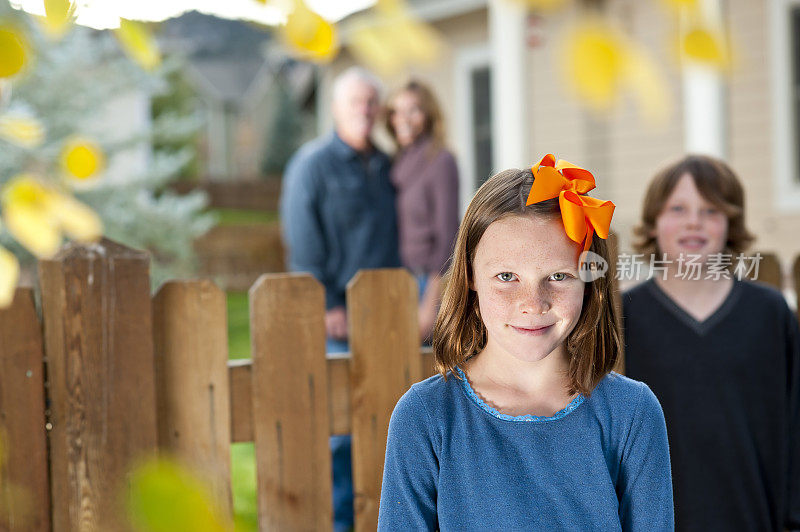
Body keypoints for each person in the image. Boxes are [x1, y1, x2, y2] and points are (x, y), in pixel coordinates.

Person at [378, 155, 674, 530]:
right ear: (469, 275)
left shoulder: (632, 413)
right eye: (506, 276)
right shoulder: (425, 417)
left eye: (558, 276)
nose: (533, 303)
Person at [622, 154, 800, 531]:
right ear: (653, 223)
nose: (693, 222)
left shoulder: (769, 313)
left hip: (754, 517)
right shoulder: (624, 317)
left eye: (710, 211)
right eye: (678, 208)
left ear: (730, 224)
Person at [280, 66, 401, 532]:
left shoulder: (388, 166)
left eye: (372, 102)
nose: (365, 111)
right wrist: (327, 303)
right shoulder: (312, 166)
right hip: (338, 319)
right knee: (341, 434)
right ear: (335, 108)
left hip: (389, 315)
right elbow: (302, 241)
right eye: (355, 102)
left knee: (391, 424)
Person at [386, 80, 460, 341]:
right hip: (399, 279)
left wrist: (432, 298)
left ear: (429, 115)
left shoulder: (440, 160)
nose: (403, 119)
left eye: (413, 110)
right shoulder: (398, 162)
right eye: (396, 111)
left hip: (428, 280)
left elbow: (448, 233)